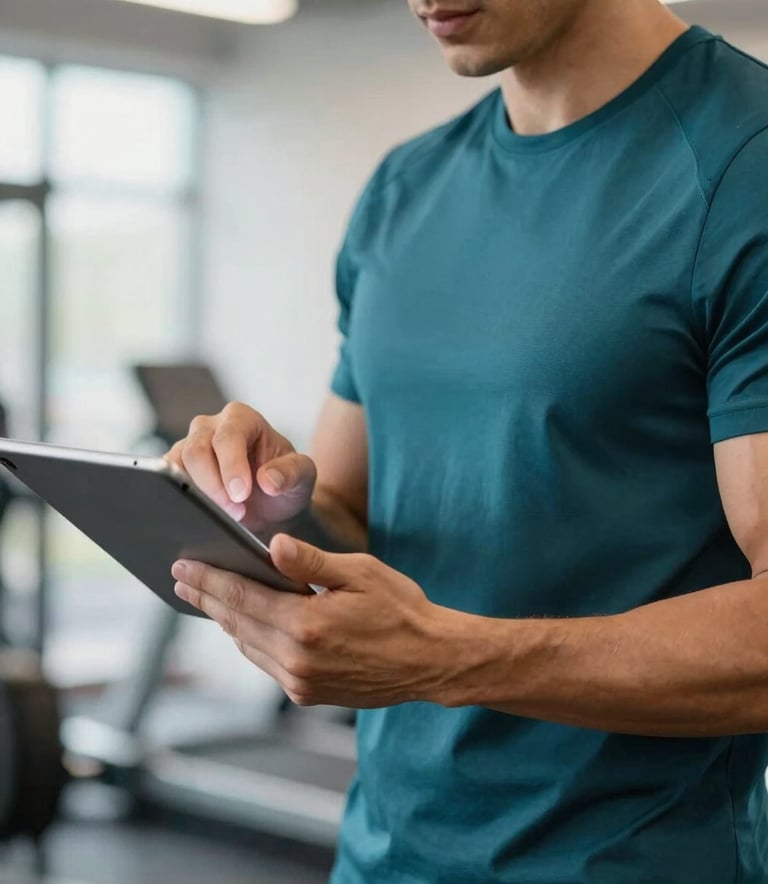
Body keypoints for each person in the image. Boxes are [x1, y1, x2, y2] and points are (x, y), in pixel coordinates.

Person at [167, 0, 768, 880]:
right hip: (381, 857)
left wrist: (448, 658)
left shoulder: (744, 164)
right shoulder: (402, 190)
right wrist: (258, 503)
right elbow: (340, 507)